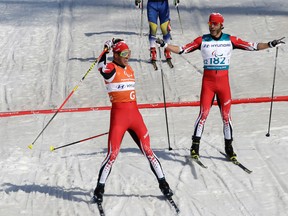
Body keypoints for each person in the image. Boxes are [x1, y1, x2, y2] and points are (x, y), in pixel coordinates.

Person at [156, 12, 285, 161]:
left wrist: (270, 44)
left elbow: (253, 46)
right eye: (210, 24)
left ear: (221, 25)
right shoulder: (202, 40)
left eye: (214, 24)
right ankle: (195, 146)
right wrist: (165, 45)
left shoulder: (230, 40)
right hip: (208, 84)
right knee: (203, 114)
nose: (211, 27)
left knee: (226, 117)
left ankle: (229, 148)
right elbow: (182, 49)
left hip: (223, 85)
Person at [92, 38, 173, 204]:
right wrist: (105, 49)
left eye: (128, 53)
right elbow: (101, 68)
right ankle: (99, 189)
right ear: (116, 55)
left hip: (135, 116)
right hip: (119, 117)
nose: (127, 56)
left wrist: (117, 43)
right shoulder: (111, 68)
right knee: (112, 155)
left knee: (148, 151)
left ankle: (163, 184)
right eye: (123, 53)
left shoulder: (130, 69)